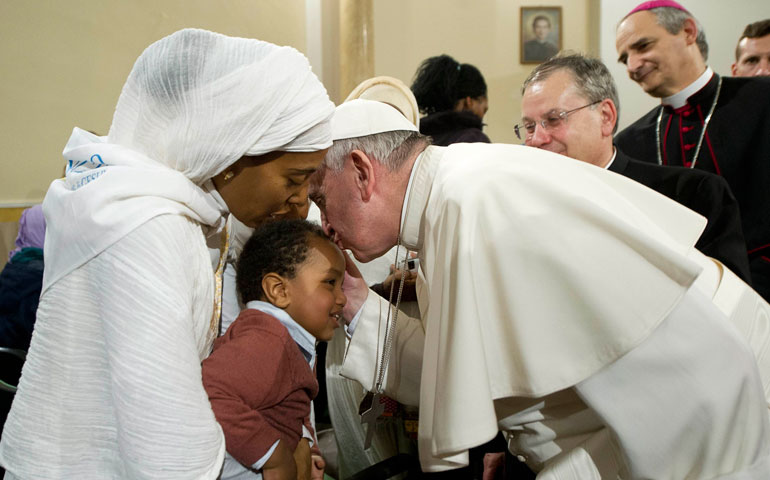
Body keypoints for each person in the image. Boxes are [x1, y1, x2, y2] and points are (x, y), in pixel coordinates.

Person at [309, 98, 770, 478]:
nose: (324, 224)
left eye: (320, 200)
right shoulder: (451, 194)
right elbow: (455, 368)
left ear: (362, 172)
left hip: (712, 420)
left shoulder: (476, 201)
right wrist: (358, 303)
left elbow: (678, 377)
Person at [0, 28, 334, 478]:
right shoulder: (146, 228)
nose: (301, 202)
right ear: (231, 153)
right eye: (293, 179)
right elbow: (166, 439)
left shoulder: (151, 202)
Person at [519, 52, 751, 282]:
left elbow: (729, 304)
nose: (537, 139)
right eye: (529, 127)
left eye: (554, 119)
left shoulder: (693, 195)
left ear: (605, 117)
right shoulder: (523, 207)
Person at [615, 0, 770, 302]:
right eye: (625, 58)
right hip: (684, 305)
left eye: (642, 46)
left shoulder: (763, 100)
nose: (633, 66)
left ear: (687, 32)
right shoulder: (628, 143)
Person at [202, 219, 345, 480]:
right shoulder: (266, 339)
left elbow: (293, 407)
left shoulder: (287, 338)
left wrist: (309, 448)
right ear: (279, 290)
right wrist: (276, 457)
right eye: (330, 282)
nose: (342, 298)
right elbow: (209, 391)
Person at [410, 54, 490, 145]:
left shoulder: (413, 142)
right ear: (469, 102)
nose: (482, 117)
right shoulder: (474, 140)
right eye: (484, 110)